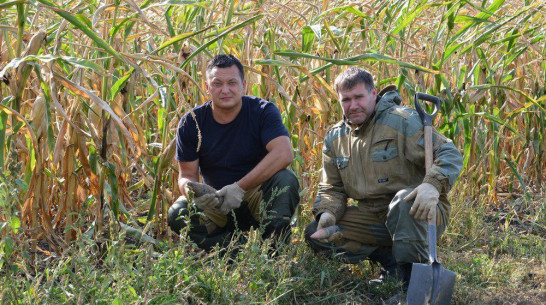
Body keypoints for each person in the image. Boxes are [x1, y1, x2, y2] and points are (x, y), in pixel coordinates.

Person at [305, 67, 463, 291]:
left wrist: (432, 185)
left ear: (373, 93)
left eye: (359, 97)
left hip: (420, 215)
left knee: (403, 199)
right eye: (346, 100)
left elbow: (450, 154)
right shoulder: (336, 137)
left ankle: (409, 280)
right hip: (374, 217)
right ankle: (391, 261)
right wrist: (328, 213)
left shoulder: (403, 121)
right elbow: (332, 187)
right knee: (315, 234)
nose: (353, 105)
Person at [167, 54, 300, 251]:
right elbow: (186, 175)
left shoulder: (263, 111)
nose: (225, 90)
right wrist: (192, 192)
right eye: (217, 84)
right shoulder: (191, 122)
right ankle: (234, 253)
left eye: (232, 83)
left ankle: (273, 253)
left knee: (286, 180)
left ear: (243, 84)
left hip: (256, 194)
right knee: (177, 213)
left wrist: (239, 188)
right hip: (217, 200)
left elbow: (284, 153)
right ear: (207, 87)